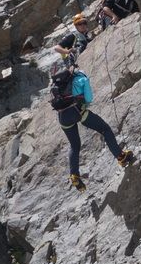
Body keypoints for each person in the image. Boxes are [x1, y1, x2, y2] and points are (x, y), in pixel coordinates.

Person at [49, 61, 134, 191]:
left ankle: (74, 176)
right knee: (105, 129)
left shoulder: (57, 83)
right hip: (78, 112)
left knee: (74, 145)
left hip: (63, 117)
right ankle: (121, 157)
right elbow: (89, 99)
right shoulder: (81, 78)